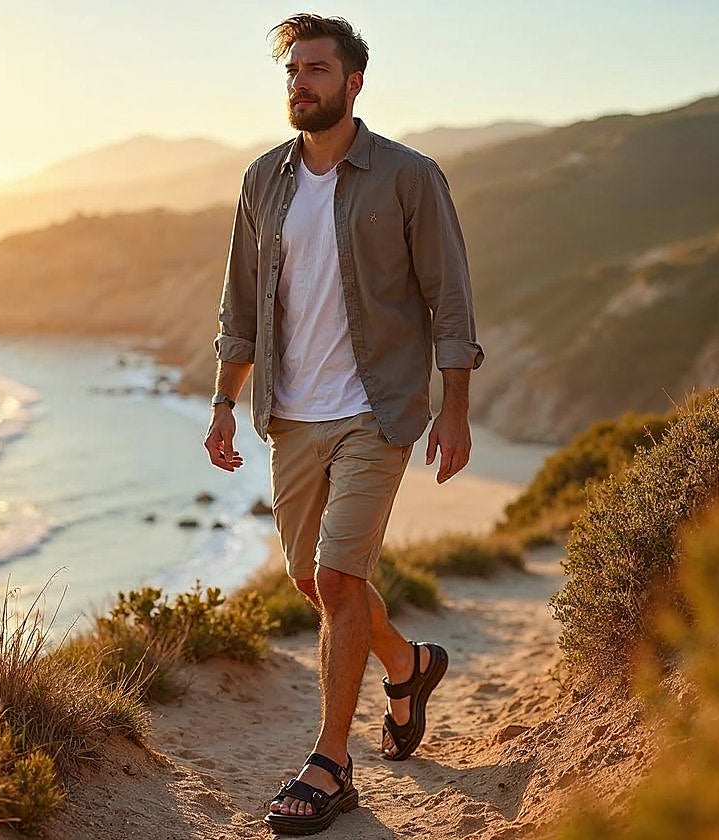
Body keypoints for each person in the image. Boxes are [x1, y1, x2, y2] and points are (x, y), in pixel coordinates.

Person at [203, 12, 484, 835]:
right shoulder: (264, 181)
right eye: (293, 72)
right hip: (290, 414)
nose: (301, 84)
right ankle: (407, 664)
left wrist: (455, 409)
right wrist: (224, 402)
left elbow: (450, 296)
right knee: (314, 581)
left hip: (378, 407)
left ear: (353, 82)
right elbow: (240, 304)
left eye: (317, 71)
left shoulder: (408, 176)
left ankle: (331, 763)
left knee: (337, 580)